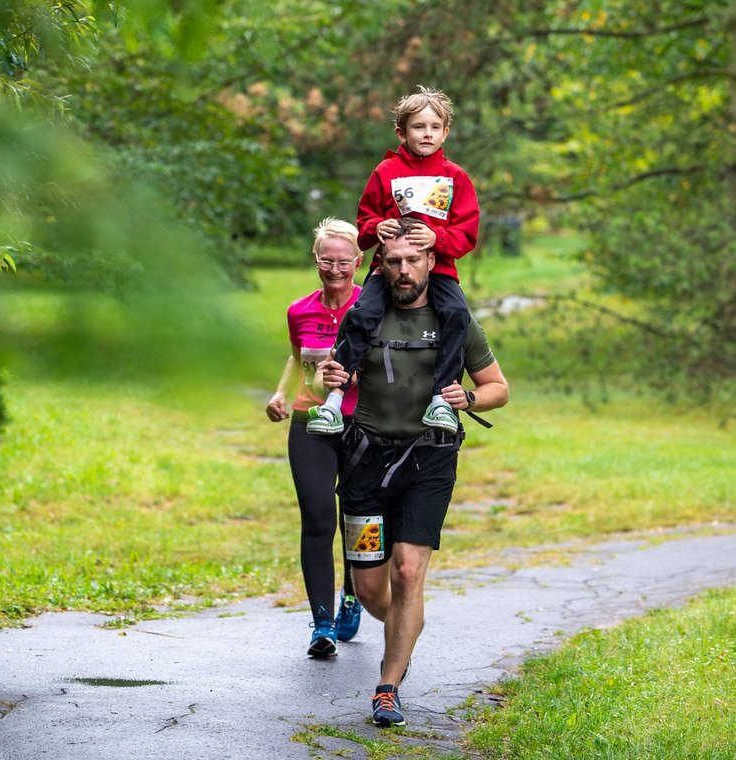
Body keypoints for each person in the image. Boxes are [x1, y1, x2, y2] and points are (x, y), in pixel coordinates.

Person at [317, 217, 508, 726]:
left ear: (430, 261)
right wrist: (331, 376)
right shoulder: (363, 314)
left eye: (412, 260)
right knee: (374, 587)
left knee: (408, 571)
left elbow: (498, 388)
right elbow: (332, 379)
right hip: (365, 460)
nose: (403, 270)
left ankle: (387, 687)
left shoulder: (455, 320)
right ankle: (405, 621)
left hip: (430, 459)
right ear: (381, 263)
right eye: (394, 261)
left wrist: (466, 397)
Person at [307, 85, 479, 437]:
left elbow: (468, 231)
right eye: (418, 127)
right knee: (362, 314)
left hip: (439, 269)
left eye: (434, 127)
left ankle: (441, 401)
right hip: (384, 270)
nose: (427, 134)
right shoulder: (385, 172)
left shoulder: (455, 177)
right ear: (402, 132)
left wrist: (438, 238)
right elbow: (364, 224)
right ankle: (334, 402)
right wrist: (376, 226)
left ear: (446, 131)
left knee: (457, 315)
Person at [265, 218, 365, 658]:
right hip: (310, 424)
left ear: (359, 262)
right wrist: (281, 392)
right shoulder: (299, 309)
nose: (336, 269)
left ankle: (353, 594)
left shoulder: (371, 307)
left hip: (363, 424)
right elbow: (295, 354)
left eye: (344, 261)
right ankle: (321, 624)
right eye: (327, 260)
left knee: (359, 520)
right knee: (319, 518)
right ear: (316, 260)